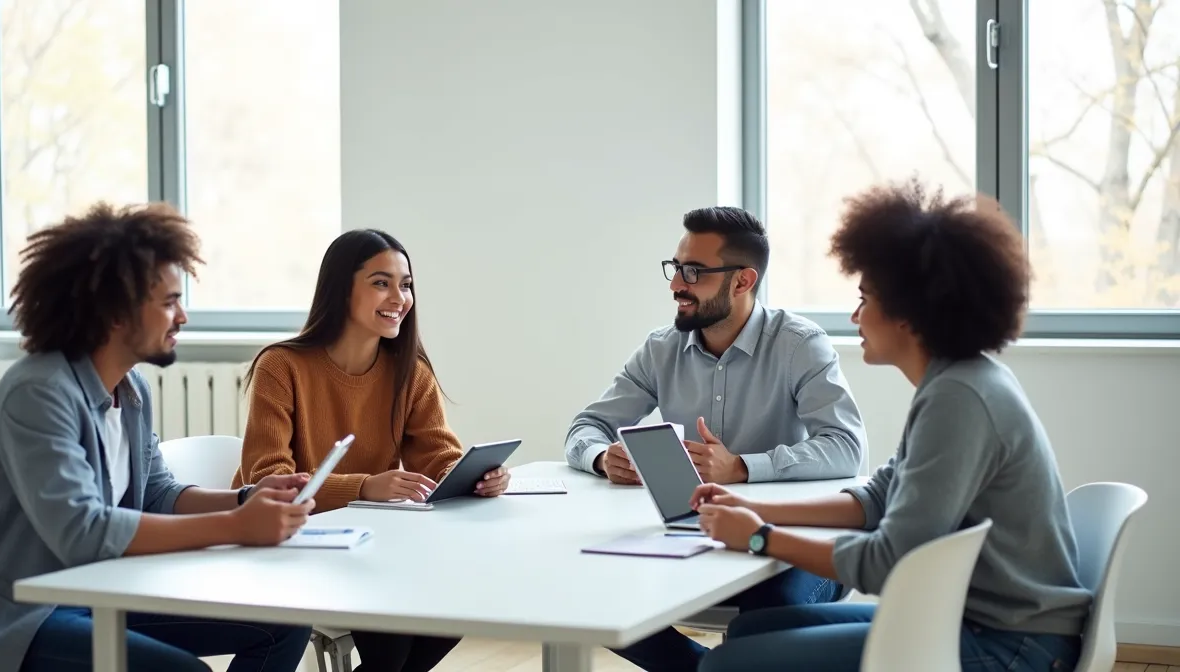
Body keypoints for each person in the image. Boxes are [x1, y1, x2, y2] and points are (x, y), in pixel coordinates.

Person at [695, 179, 1092, 672]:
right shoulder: (956, 382)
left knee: (725, 664)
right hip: (971, 620)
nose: (855, 315)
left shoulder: (959, 399)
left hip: (1012, 645)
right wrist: (753, 507)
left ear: (908, 312)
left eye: (866, 299)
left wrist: (759, 537)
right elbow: (879, 499)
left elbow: (891, 561)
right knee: (748, 630)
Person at [0, 203, 316, 672]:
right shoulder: (39, 392)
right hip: (13, 615)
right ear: (116, 314)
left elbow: (158, 493)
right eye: (168, 301)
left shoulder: (131, 390)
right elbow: (83, 532)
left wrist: (244, 498)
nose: (182, 316)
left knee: (284, 622)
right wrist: (237, 526)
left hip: (98, 590)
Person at [563, 206, 868, 671]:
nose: (675, 285)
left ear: (743, 281)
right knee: (588, 596)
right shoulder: (660, 348)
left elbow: (847, 446)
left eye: (693, 273)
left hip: (789, 543)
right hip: (691, 534)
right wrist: (604, 458)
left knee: (769, 614)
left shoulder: (800, 344)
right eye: (675, 268)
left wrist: (743, 467)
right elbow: (584, 427)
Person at [235, 228, 508, 672]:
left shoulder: (409, 372)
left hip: (369, 543)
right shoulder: (281, 366)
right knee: (394, 628)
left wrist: (478, 475)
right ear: (341, 290)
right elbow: (268, 479)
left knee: (460, 601)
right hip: (285, 543)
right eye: (381, 282)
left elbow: (438, 457)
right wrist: (364, 487)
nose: (398, 297)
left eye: (406, 284)